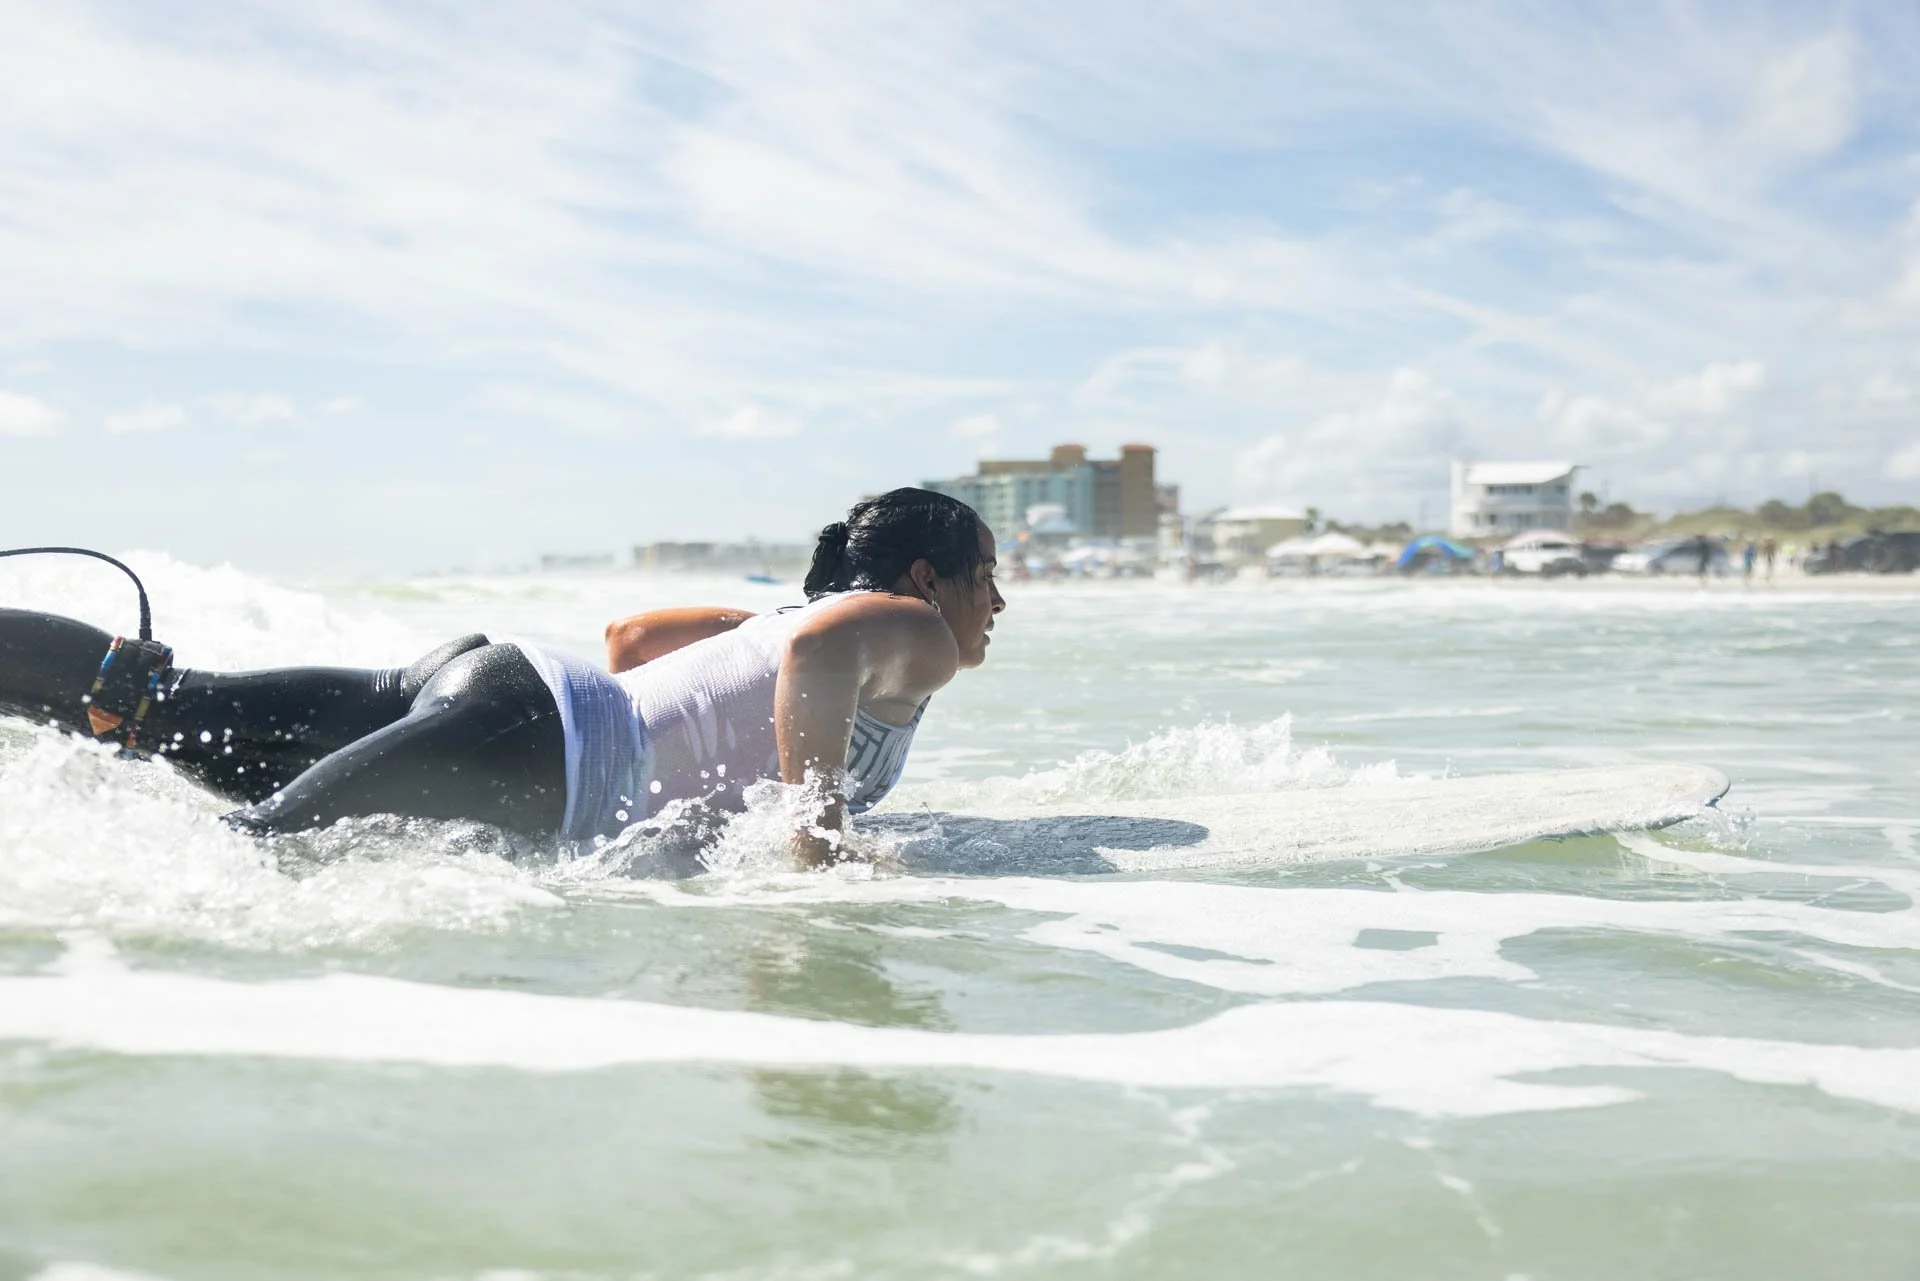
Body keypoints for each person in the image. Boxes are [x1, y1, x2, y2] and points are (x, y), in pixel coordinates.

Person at [0, 488, 1004, 867]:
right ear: (926, 577)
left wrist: (682, 756)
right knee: (243, 857)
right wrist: (816, 836)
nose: (995, 605)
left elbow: (630, 637)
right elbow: (817, 661)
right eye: (987, 578)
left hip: (503, 692)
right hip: (528, 742)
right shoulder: (917, 633)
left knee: (150, 713)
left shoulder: (792, 617)